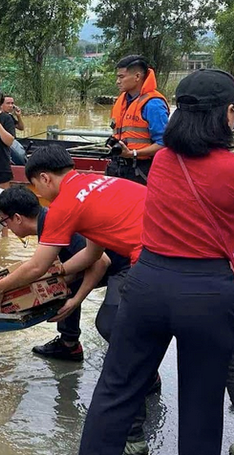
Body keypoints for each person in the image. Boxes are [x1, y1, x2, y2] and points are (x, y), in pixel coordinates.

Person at [79, 69, 234, 455]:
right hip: (207, 293)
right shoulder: (229, 169)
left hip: (146, 283)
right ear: (228, 114)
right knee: (201, 404)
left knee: (115, 392)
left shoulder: (164, 160)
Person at [0, 146, 152, 453]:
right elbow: (93, 252)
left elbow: (37, 266)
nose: (38, 194)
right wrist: (57, 277)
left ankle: (133, 435)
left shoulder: (63, 205)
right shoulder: (93, 183)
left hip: (148, 261)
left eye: (35, 186)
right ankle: (146, 379)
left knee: (115, 328)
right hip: (179, 251)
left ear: (44, 178)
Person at [0, 186, 131, 361]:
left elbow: (100, 262)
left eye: (5, 222)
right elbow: (60, 269)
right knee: (59, 284)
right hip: (105, 263)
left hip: (127, 265)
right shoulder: (46, 220)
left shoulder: (57, 223)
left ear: (18, 218)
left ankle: (142, 372)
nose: (7, 227)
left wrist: (76, 301)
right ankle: (69, 344)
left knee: (108, 323)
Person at [106, 55, 169, 185]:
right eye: (117, 77)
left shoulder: (153, 105)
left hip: (141, 170)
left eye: (121, 77)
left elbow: (164, 144)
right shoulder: (122, 101)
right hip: (118, 167)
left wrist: (133, 153)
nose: (117, 81)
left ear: (137, 77)